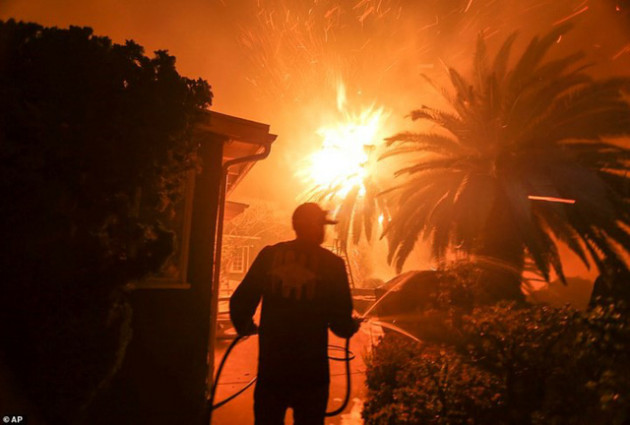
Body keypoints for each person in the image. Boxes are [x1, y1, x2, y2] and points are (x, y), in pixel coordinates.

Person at [229, 202, 360, 425]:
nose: (324, 230)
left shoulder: (270, 256)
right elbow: (340, 325)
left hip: (272, 370)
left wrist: (247, 327)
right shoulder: (332, 265)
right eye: (322, 225)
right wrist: (352, 325)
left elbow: (240, 302)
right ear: (316, 227)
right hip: (311, 375)